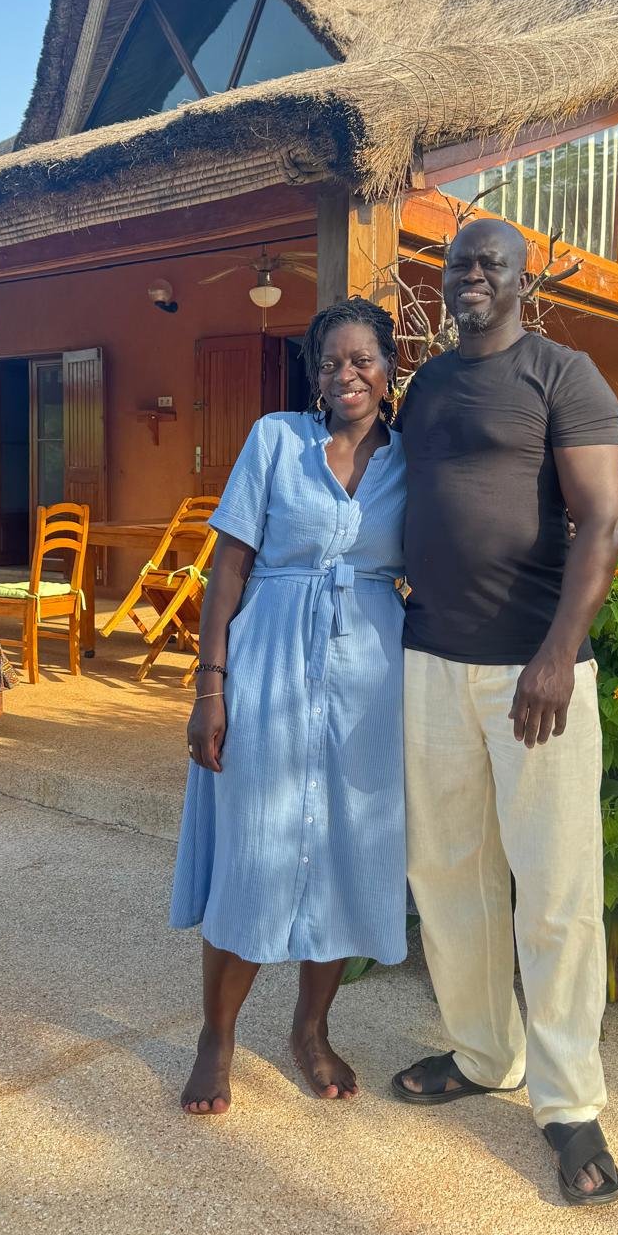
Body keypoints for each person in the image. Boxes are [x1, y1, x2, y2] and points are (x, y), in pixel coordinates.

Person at [391, 217, 618, 1207]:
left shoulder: (564, 375)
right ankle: (487, 1055)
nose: (472, 275)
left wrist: (559, 655)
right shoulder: (429, 385)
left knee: (557, 883)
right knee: (448, 873)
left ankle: (570, 1103)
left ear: (524, 280)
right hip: (430, 663)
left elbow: (602, 516)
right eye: (459, 263)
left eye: (491, 263)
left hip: (536, 674)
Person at [171, 297, 407, 1114]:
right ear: (317, 375)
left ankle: (312, 1031)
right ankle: (217, 1037)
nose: (347, 374)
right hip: (267, 664)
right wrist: (211, 686)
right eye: (331, 362)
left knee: (347, 856)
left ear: (387, 367)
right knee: (253, 849)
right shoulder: (276, 440)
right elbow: (227, 567)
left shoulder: (412, 463)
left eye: (362, 360)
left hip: (369, 683)